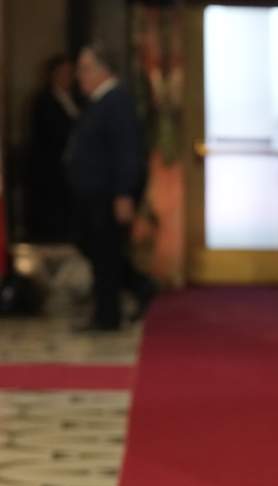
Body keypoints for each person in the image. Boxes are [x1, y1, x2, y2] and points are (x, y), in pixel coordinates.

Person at [65, 42, 157, 331]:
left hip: (108, 195)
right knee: (100, 251)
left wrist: (124, 193)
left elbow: (127, 152)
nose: (79, 76)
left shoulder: (117, 102)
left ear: (103, 71)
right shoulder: (99, 103)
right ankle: (139, 286)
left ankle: (107, 316)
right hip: (92, 194)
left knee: (106, 255)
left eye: (85, 69)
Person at [28, 55, 79, 243]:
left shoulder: (77, 98)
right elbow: (54, 132)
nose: (68, 77)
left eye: (70, 73)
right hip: (51, 169)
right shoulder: (43, 101)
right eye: (63, 73)